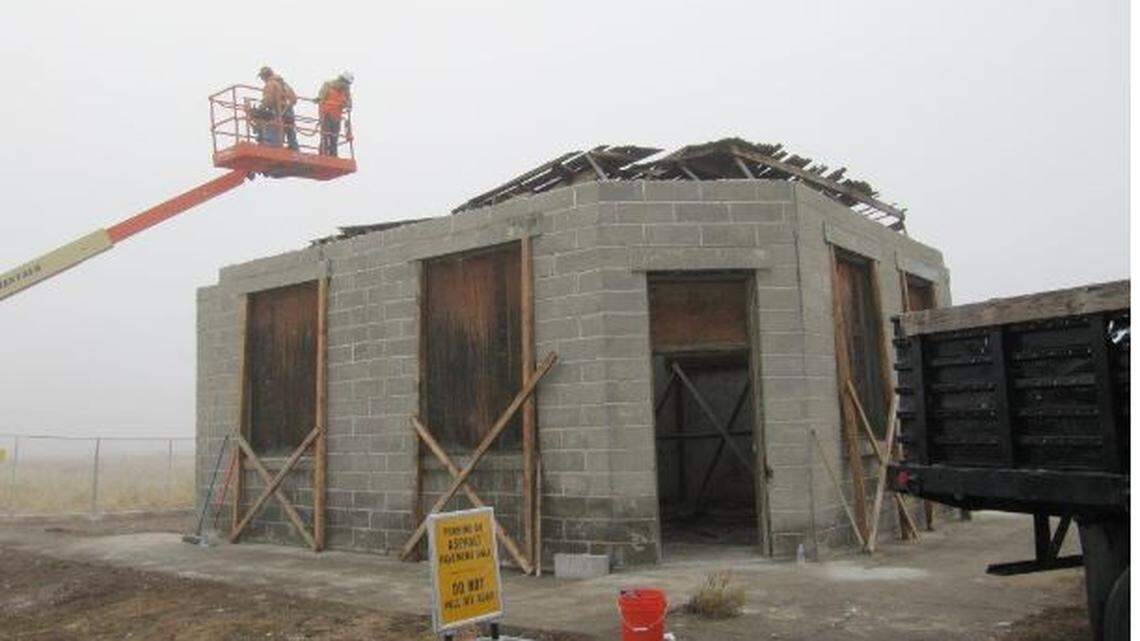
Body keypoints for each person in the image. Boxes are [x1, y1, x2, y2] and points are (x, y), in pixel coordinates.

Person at [257, 66, 299, 150]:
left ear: (264, 76)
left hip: (277, 110)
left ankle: (271, 145)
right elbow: (294, 99)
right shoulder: (284, 84)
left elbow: (268, 100)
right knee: (290, 129)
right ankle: (294, 147)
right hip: (288, 111)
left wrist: (261, 108)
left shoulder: (270, 84)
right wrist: (288, 105)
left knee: (271, 126)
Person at [316, 71, 353, 157]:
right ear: (342, 80)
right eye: (346, 83)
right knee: (325, 136)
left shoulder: (346, 91)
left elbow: (349, 104)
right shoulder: (328, 85)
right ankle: (323, 154)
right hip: (326, 115)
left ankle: (333, 155)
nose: (347, 86)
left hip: (336, 117)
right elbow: (321, 97)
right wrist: (318, 99)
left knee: (334, 138)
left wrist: (347, 105)